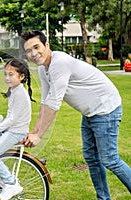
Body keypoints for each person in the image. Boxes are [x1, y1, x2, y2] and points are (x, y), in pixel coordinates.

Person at [21, 30, 131, 199]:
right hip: (90, 113)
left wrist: (39, 136)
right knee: (91, 158)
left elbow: (54, 103)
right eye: (29, 50)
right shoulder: (44, 69)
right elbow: (45, 101)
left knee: (110, 159)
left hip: (105, 109)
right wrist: (34, 132)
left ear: (47, 45)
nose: (33, 53)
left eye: (36, 47)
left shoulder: (60, 63)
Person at [0, 58, 35, 200]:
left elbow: (13, 119)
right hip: (11, 130)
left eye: (11, 75)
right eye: (5, 74)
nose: (7, 78)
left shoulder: (19, 93)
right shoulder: (14, 90)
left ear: (21, 77)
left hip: (17, 132)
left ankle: (10, 182)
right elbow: (10, 115)